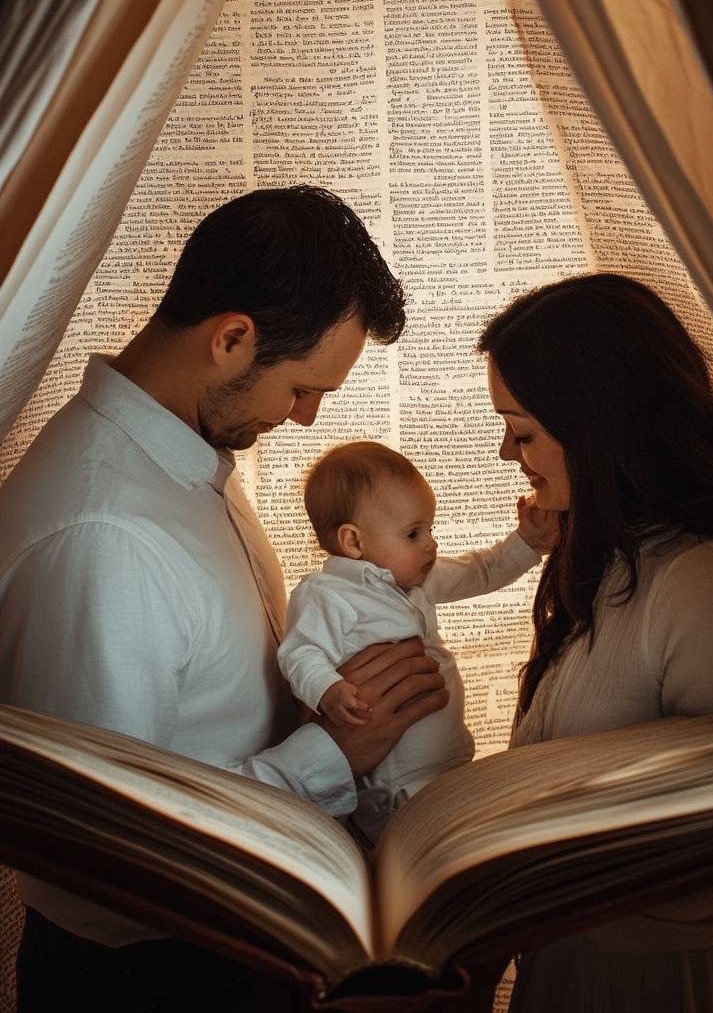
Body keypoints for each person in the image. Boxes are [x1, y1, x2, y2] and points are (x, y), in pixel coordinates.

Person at [0, 186, 449, 1012]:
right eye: (304, 388)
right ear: (233, 339)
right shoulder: (105, 536)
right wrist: (332, 756)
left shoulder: (181, 461)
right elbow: (107, 858)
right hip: (153, 980)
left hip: (235, 945)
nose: (309, 420)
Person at [477, 272, 713, 1013]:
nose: (509, 453)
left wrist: (502, 864)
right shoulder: (607, 562)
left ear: (596, 422)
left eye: (523, 430)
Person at [278, 440, 553, 843]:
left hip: (451, 765)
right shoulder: (326, 594)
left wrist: (527, 542)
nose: (430, 543)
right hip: (395, 788)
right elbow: (300, 652)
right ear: (354, 542)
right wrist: (328, 689)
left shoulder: (418, 579)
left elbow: (482, 571)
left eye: (430, 529)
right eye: (413, 533)